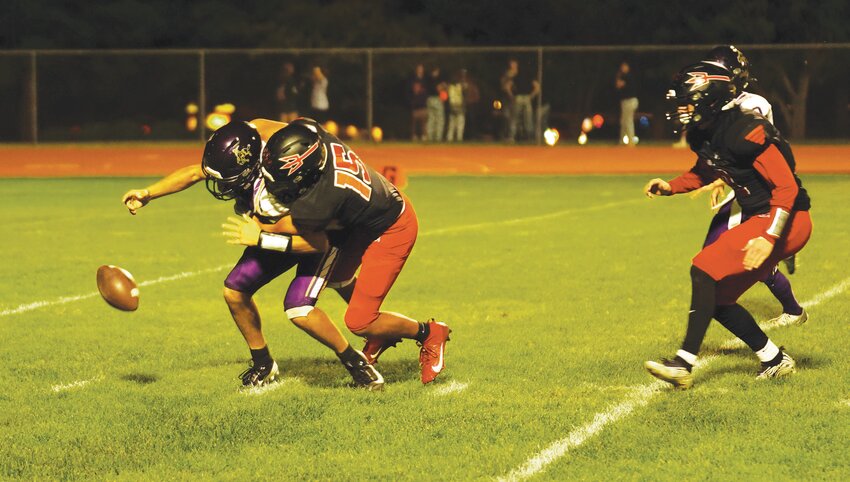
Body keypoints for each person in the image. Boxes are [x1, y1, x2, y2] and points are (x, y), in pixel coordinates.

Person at [121, 120, 384, 390]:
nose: (223, 187)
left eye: (230, 181)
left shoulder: (276, 187)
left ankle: (357, 363)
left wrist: (260, 237)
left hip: (320, 236)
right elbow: (195, 173)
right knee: (234, 291)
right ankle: (263, 363)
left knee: (299, 308)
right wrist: (148, 193)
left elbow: (317, 242)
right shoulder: (252, 140)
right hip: (279, 229)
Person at [223, 118, 451, 384]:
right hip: (364, 216)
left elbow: (318, 245)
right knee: (337, 279)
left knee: (359, 321)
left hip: (391, 228)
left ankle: (429, 332)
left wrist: (261, 238)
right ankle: (380, 333)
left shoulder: (321, 199)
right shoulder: (310, 132)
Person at [643, 61, 812, 389]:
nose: (682, 108)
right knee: (716, 299)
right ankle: (774, 359)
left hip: (788, 219)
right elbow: (705, 172)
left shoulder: (744, 129)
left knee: (703, 267)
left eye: (688, 101)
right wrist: (671, 186)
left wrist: (770, 237)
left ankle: (683, 364)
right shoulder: (704, 133)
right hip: (763, 218)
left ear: (709, 100)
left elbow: (787, 188)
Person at [691, 45, 806, 326]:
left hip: (757, 193)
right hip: (740, 189)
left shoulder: (752, 104)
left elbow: (750, 154)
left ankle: (789, 310)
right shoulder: (719, 106)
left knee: (734, 258)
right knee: (719, 256)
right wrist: (719, 176)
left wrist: (723, 175)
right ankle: (792, 308)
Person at [616, 61, 638, 146]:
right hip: (628, 101)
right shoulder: (626, 76)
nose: (623, 68)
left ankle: (631, 142)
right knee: (623, 121)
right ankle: (622, 141)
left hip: (630, 101)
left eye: (624, 66)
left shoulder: (627, 76)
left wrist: (618, 78)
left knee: (628, 121)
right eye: (622, 66)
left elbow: (619, 85)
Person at [425, 66, 447, 142]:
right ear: (435, 71)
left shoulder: (427, 79)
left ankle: (430, 137)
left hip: (429, 100)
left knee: (431, 119)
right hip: (436, 100)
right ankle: (438, 138)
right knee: (440, 119)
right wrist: (443, 86)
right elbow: (438, 89)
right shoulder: (436, 80)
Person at [407, 64, 428, 141]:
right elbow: (409, 92)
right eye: (419, 69)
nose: (420, 70)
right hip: (415, 106)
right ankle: (413, 136)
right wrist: (411, 102)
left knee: (424, 124)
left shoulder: (425, 80)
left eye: (421, 69)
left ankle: (424, 137)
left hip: (423, 105)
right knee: (413, 124)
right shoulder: (412, 80)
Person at [446, 69, 466, 142]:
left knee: (452, 125)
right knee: (459, 124)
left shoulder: (449, 87)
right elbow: (465, 88)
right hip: (458, 106)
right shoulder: (459, 86)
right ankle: (458, 138)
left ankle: (450, 139)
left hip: (452, 106)